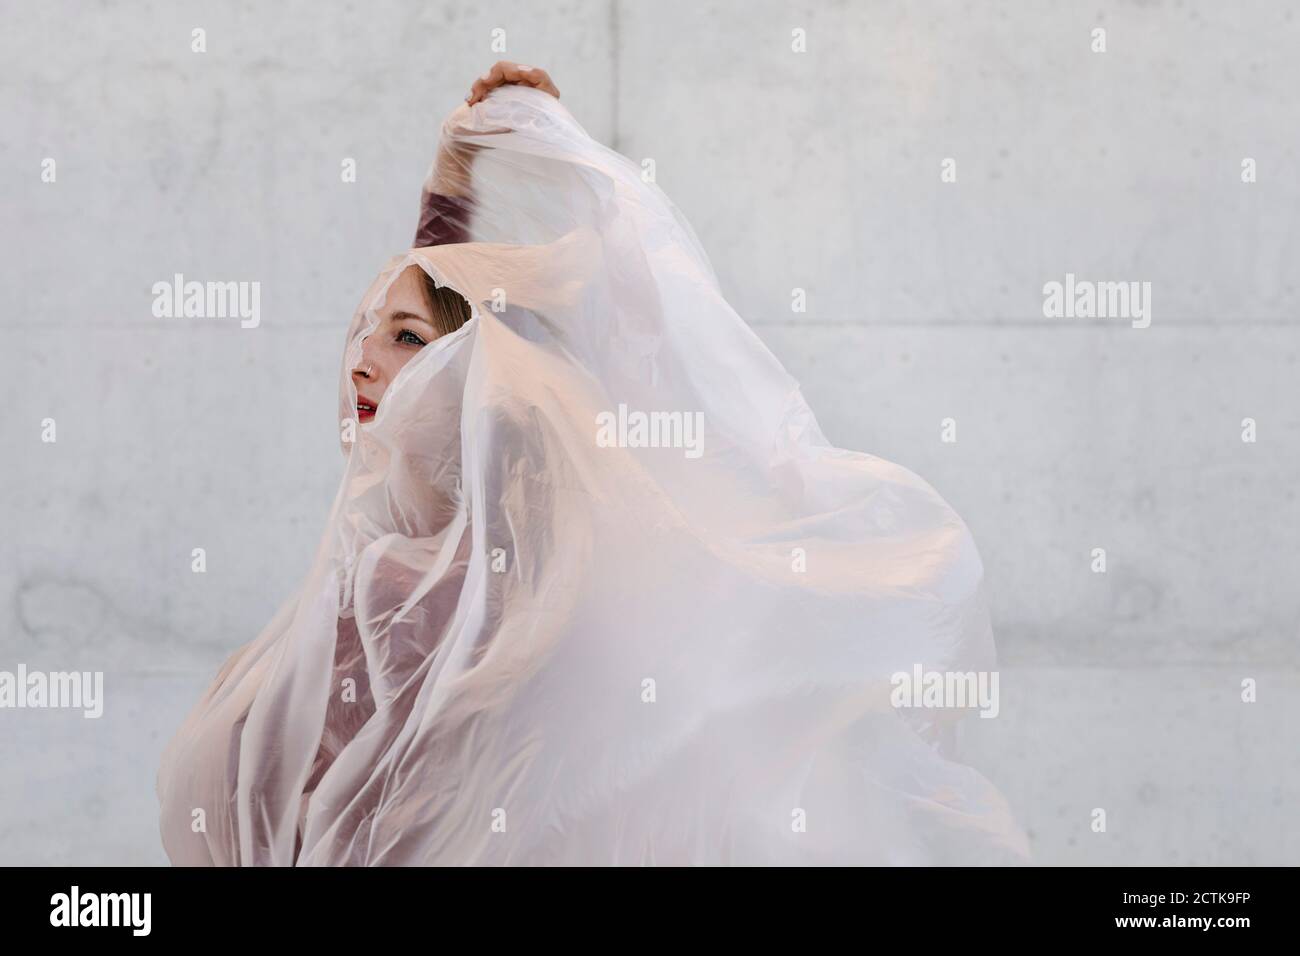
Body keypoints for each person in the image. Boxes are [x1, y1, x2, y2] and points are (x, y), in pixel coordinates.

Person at [158, 63, 1029, 866]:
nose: (363, 361)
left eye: (404, 344)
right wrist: (457, 170)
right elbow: (449, 308)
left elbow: (497, 346)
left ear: (472, 385)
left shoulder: (480, 581)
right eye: (363, 333)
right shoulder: (386, 546)